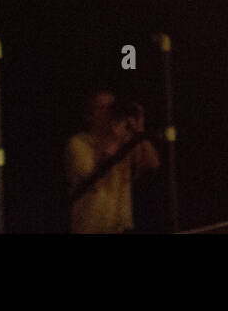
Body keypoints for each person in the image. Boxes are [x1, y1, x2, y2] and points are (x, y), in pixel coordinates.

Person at [64, 89, 160, 233]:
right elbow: (93, 182)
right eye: (103, 108)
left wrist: (139, 130)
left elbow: (152, 164)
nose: (109, 113)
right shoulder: (79, 143)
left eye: (112, 108)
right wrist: (115, 138)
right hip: (90, 229)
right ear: (89, 115)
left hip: (120, 228)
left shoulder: (123, 141)